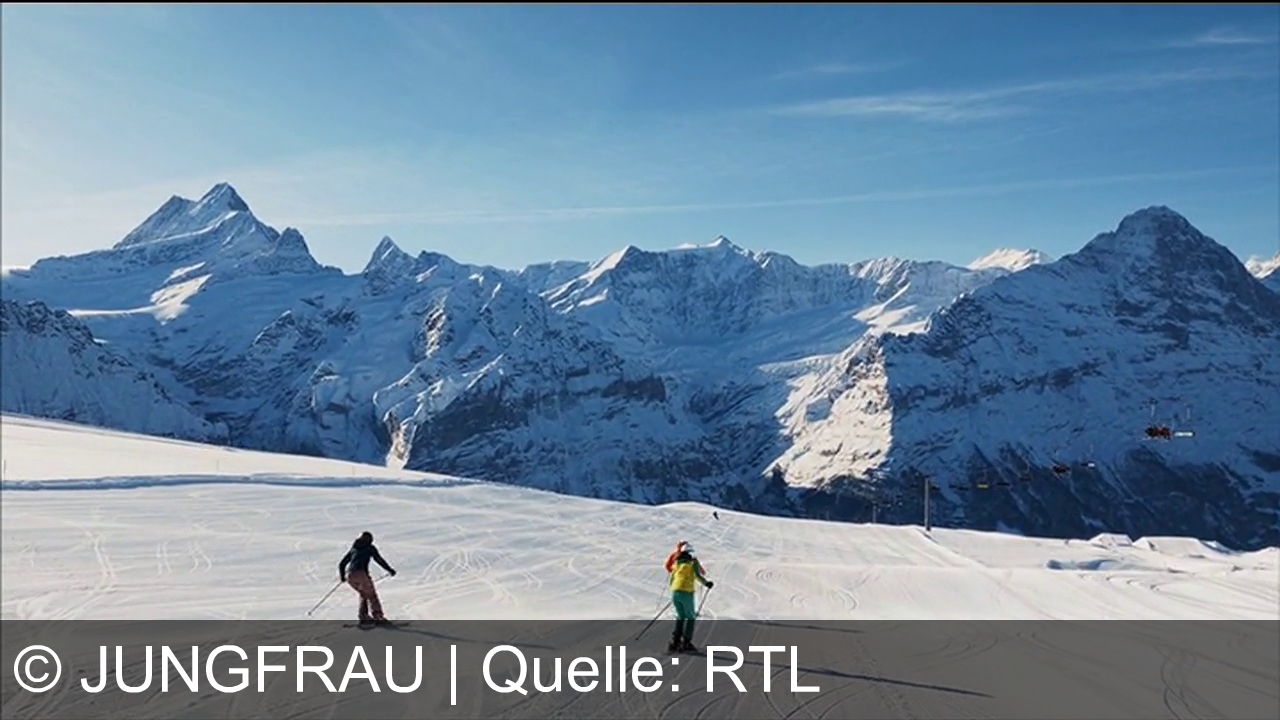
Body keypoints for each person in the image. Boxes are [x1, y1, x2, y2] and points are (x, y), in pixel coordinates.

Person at [338, 531, 397, 626]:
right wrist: (390, 570)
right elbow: (379, 559)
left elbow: (342, 564)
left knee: (364, 594)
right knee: (372, 595)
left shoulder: (354, 548)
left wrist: (342, 577)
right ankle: (378, 616)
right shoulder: (369, 548)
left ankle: (364, 616)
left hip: (350, 576)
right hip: (361, 574)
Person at [666, 542, 713, 653]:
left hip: (675, 592)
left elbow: (672, 579)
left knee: (680, 616)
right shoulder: (692, 563)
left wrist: (675, 591)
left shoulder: (677, 564)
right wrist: (707, 583)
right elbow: (698, 576)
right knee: (690, 617)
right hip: (686, 592)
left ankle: (675, 642)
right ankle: (686, 642)